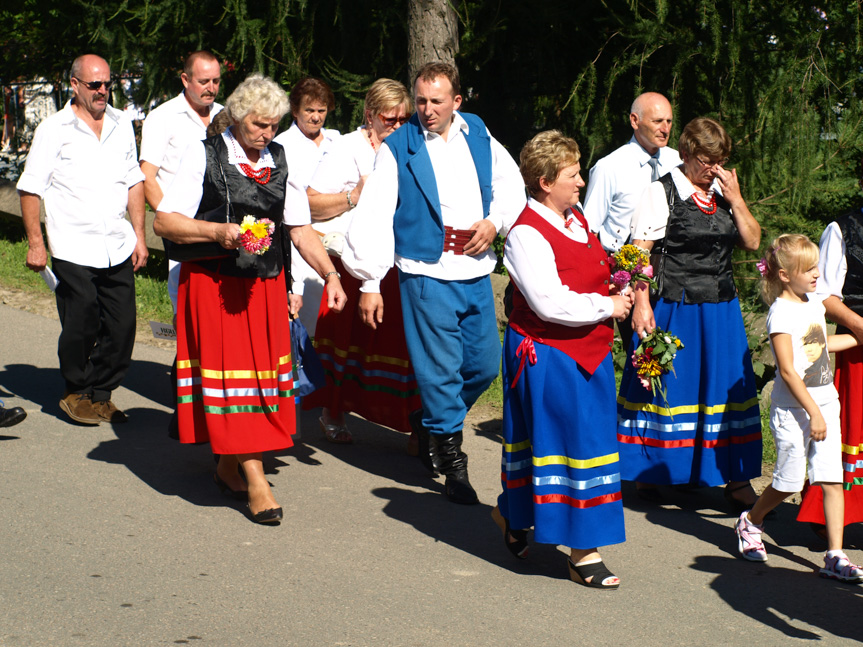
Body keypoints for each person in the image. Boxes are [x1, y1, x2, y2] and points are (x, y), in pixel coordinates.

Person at [153, 74, 347, 524]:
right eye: (259, 125)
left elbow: (298, 228)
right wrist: (217, 231)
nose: (268, 134)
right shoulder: (202, 155)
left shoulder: (279, 159)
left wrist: (331, 274)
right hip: (213, 286)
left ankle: (227, 465)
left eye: (274, 125)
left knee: (258, 383)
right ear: (237, 118)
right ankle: (258, 482)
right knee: (232, 383)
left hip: (263, 287)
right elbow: (164, 222)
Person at [342, 62, 526, 504]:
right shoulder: (399, 146)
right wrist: (370, 281)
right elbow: (375, 212)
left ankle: (428, 419)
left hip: (476, 268)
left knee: (483, 366)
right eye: (420, 100)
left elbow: (512, 187)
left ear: (456, 101)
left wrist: (494, 221)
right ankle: (453, 463)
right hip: (424, 269)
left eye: (436, 101)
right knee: (440, 369)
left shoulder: (478, 133)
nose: (426, 110)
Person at [494, 130, 633, 588]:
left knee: (580, 444)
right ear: (544, 181)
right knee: (572, 447)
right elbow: (549, 303)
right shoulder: (525, 234)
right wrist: (607, 307)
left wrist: (619, 283)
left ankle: (515, 514)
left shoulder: (575, 219)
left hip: (585, 352)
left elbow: (590, 269)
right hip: (550, 354)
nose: (581, 181)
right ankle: (582, 552)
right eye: (572, 174)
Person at [617, 117, 763, 505]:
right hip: (676, 306)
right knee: (671, 386)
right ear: (685, 154)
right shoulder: (660, 193)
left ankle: (734, 477)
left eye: (719, 160)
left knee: (727, 386)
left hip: (721, 308)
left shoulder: (721, 194)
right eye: (705, 160)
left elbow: (752, 241)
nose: (713, 168)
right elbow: (637, 254)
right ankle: (650, 470)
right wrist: (641, 304)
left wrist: (736, 199)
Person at [17, 54, 148, 425]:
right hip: (73, 245)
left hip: (117, 243)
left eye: (108, 83)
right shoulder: (54, 129)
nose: (103, 91)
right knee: (82, 321)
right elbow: (29, 188)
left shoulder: (122, 123)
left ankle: (101, 394)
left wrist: (139, 236)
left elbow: (134, 180)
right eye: (95, 85)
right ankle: (75, 391)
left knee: (122, 327)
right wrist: (35, 242)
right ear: (74, 85)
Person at [735, 234, 863, 582]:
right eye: (808, 269)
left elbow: (820, 347)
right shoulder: (781, 313)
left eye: (817, 267)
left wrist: (856, 337)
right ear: (784, 275)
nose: (816, 275)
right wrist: (814, 412)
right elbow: (789, 370)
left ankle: (835, 555)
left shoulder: (814, 305)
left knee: (831, 479)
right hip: (795, 410)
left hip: (825, 401)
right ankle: (751, 520)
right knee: (789, 481)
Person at [302, 78, 421, 444]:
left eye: (404, 120)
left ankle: (415, 423)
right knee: (348, 340)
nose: (397, 127)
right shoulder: (347, 148)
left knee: (397, 344)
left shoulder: (412, 149)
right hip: (353, 263)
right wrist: (356, 195)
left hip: (397, 260)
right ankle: (333, 410)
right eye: (390, 119)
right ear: (370, 115)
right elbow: (310, 202)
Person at [583, 92, 680, 350]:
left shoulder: (676, 161)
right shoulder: (609, 168)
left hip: (671, 272)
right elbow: (588, 231)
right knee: (643, 353)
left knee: (674, 349)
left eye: (669, 121)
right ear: (635, 121)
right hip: (626, 276)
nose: (665, 128)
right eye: (658, 121)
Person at [140, 50, 223, 312]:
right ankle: (185, 350)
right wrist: (169, 221)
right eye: (204, 81)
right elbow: (147, 176)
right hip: (180, 221)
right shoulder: (163, 117)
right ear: (185, 80)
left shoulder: (227, 115)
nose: (211, 88)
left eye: (216, 81)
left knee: (216, 298)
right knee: (185, 295)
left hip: (220, 220)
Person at [796, 209, 863, 533]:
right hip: (857, 344)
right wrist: (858, 325)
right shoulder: (842, 229)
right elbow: (823, 297)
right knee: (853, 425)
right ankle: (832, 514)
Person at [272, 77, 341, 331]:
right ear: (295, 110)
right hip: (301, 239)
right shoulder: (281, 147)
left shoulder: (337, 141)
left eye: (321, 111)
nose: (316, 117)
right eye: (309, 110)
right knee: (306, 322)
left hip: (339, 240)